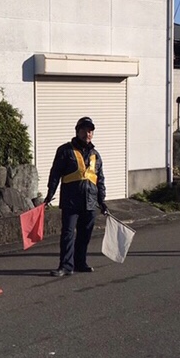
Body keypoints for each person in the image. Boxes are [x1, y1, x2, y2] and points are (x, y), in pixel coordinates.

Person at [44, 116, 108, 277]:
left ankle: (80, 263)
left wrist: (102, 202)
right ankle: (66, 266)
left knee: (85, 235)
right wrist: (49, 195)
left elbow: (99, 180)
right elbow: (55, 174)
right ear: (78, 131)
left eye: (91, 130)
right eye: (85, 130)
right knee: (68, 234)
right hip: (71, 201)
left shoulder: (95, 155)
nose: (88, 133)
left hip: (90, 202)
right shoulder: (65, 150)